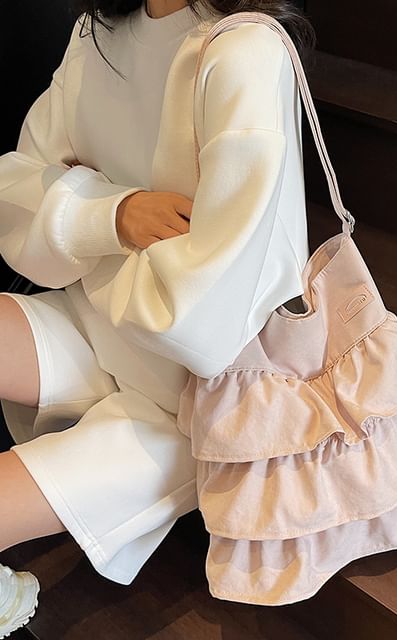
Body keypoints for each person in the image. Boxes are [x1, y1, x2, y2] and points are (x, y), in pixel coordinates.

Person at [0, 0, 313, 633]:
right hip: (98, 329)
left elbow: (206, 322)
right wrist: (114, 214)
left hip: (200, 402)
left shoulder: (243, 51)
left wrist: (77, 211)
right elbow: (13, 189)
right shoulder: (97, 32)